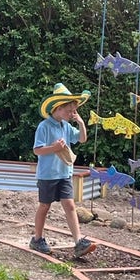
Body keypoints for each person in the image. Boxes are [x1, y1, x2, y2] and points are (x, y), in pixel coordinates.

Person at [30, 83, 97, 259]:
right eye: (70, 110)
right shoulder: (44, 126)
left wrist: (81, 122)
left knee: (70, 205)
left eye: (74, 110)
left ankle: (78, 242)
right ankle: (37, 239)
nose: (72, 114)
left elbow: (82, 139)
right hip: (47, 175)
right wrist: (53, 148)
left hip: (64, 173)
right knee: (45, 206)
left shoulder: (66, 126)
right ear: (58, 108)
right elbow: (37, 150)